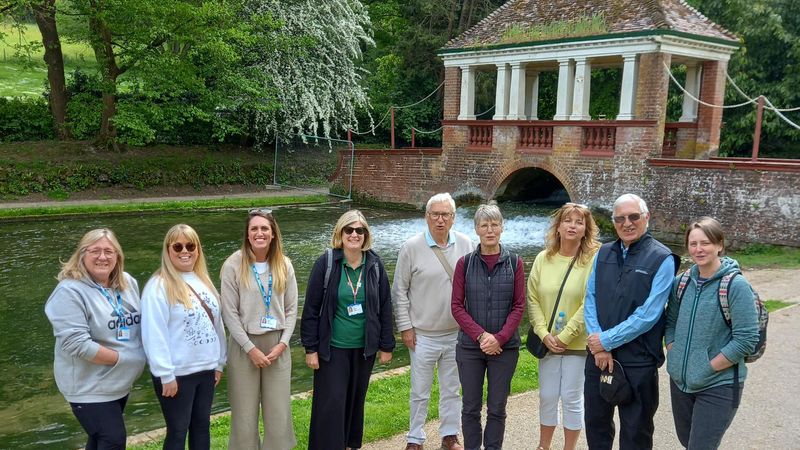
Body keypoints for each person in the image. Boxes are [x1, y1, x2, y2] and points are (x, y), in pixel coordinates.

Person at [583, 193, 680, 450]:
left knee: (636, 434)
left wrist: (606, 340)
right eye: (620, 218)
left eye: (634, 216)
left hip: (638, 361)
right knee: (596, 427)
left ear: (646, 218)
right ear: (613, 222)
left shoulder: (663, 258)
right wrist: (598, 345)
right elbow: (590, 299)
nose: (627, 223)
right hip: (598, 359)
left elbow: (649, 314)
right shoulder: (602, 253)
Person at [301, 209, 396, 450]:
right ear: (340, 233)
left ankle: (349, 444)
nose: (354, 234)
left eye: (360, 230)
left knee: (355, 400)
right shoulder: (327, 263)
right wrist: (310, 348)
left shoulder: (374, 265)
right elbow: (311, 309)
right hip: (332, 348)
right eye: (349, 230)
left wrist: (387, 344)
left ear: (366, 235)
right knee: (331, 402)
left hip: (364, 349)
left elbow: (385, 306)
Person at [45, 228, 146, 450]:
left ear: (118, 256)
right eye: (95, 251)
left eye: (109, 251)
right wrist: (122, 359)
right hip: (89, 386)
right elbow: (77, 344)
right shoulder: (69, 292)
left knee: (99, 439)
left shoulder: (128, 283)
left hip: (119, 383)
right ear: (82, 255)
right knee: (113, 439)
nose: (103, 257)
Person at [665, 217, 759, 449]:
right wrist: (674, 352)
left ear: (719, 245)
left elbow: (746, 340)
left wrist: (707, 366)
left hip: (719, 384)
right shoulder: (681, 282)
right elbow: (670, 322)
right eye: (693, 243)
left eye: (705, 243)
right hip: (681, 383)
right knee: (687, 442)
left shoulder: (736, 286)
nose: (698, 249)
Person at [393, 193, 475, 450]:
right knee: (420, 390)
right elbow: (399, 291)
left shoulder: (466, 244)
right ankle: (415, 437)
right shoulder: (411, 247)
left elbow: (474, 286)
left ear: (453, 218)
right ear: (426, 217)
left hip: (455, 333)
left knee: (452, 388)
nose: (440, 220)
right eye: (435, 214)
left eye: (445, 215)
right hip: (422, 334)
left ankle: (449, 435)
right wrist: (405, 327)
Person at [141, 224, 227, 450]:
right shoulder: (158, 286)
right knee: (178, 431)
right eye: (177, 246)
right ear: (168, 250)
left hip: (206, 370)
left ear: (198, 249)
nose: (184, 251)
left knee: (201, 427)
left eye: (190, 245)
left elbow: (217, 325)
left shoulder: (204, 280)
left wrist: (219, 362)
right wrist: (164, 374)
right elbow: (153, 333)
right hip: (177, 374)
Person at [220, 209, 298, 450]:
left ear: (273, 233)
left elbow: (291, 310)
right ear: (247, 234)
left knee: (278, 413)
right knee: (244, 415)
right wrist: (250, 348)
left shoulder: (284, 264)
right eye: (254, 228)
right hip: (244, 346)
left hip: (277, 346)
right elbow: (229, 313)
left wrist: (283, 343)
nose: (259, 233)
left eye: (264, 228)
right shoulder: (233, 265)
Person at [451, 202, 525, 450]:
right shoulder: (465, 264)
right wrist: (482, 336)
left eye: (495, 224)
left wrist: (500, 338)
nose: (490, 230)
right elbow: (457, 306)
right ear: (476, 229)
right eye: (485, 225)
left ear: (502, 227)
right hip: (470, 348)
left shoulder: (515, 262)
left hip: (505, 349)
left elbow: (518, 306)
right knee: (470, 407)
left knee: (497, 408)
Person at [527, 203, 601, 450]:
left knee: (571, 398)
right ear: (558, 226)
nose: (572, 226)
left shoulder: (593, 261)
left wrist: (566, 336)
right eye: (567, 221)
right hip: (548, 342)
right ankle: (543, 446)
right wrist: (544, 334)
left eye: (579, 222)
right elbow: (533, 298)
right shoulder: (543, 258)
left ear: (585, 230)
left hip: (577, 343)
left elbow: (589, 301)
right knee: (547, 396)